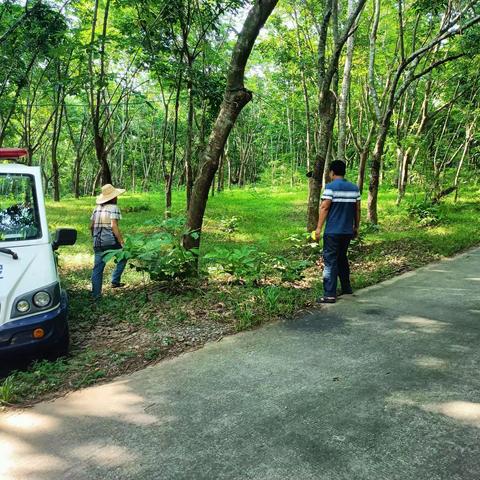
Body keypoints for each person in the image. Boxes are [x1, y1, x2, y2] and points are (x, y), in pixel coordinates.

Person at [315, 160, 361, 304]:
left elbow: (324, 207)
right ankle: (346, 288)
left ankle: (329, 294)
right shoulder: (354, 188)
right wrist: (356, 227)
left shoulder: (330, 188)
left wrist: (318, 228)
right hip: (347, 231)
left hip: (333, 231)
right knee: (342, 257)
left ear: (332, 172)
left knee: (330, 261)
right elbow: (357, 209)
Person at [90, 183, 127, 299]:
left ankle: (96, 294)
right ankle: (115, 280)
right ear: (113, 197)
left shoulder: (96, 209)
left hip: (97, 243)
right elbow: (114, 226)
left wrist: (94, 238)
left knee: (98, 268)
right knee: (123, 256)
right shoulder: (114, 208)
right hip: (110, 241)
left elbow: (91, 226)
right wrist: (121, 241)